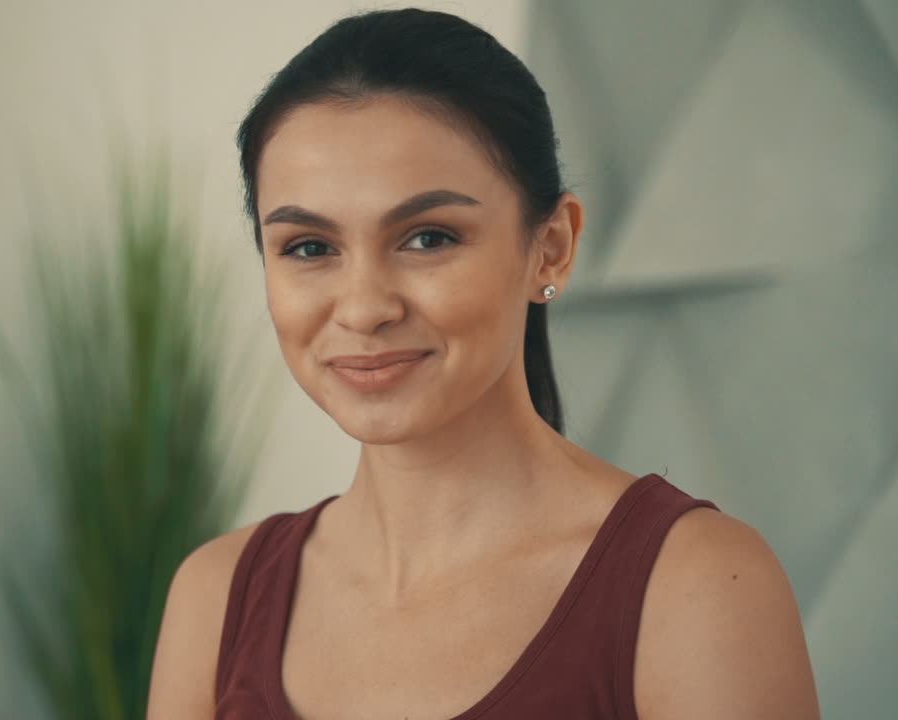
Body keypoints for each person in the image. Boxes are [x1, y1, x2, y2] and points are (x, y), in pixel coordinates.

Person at [147, 8, 820, 719]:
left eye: (428, 238)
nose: (364, 307)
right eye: (310, 247)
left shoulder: (695, 587)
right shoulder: (215, 599)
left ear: (551, 247)